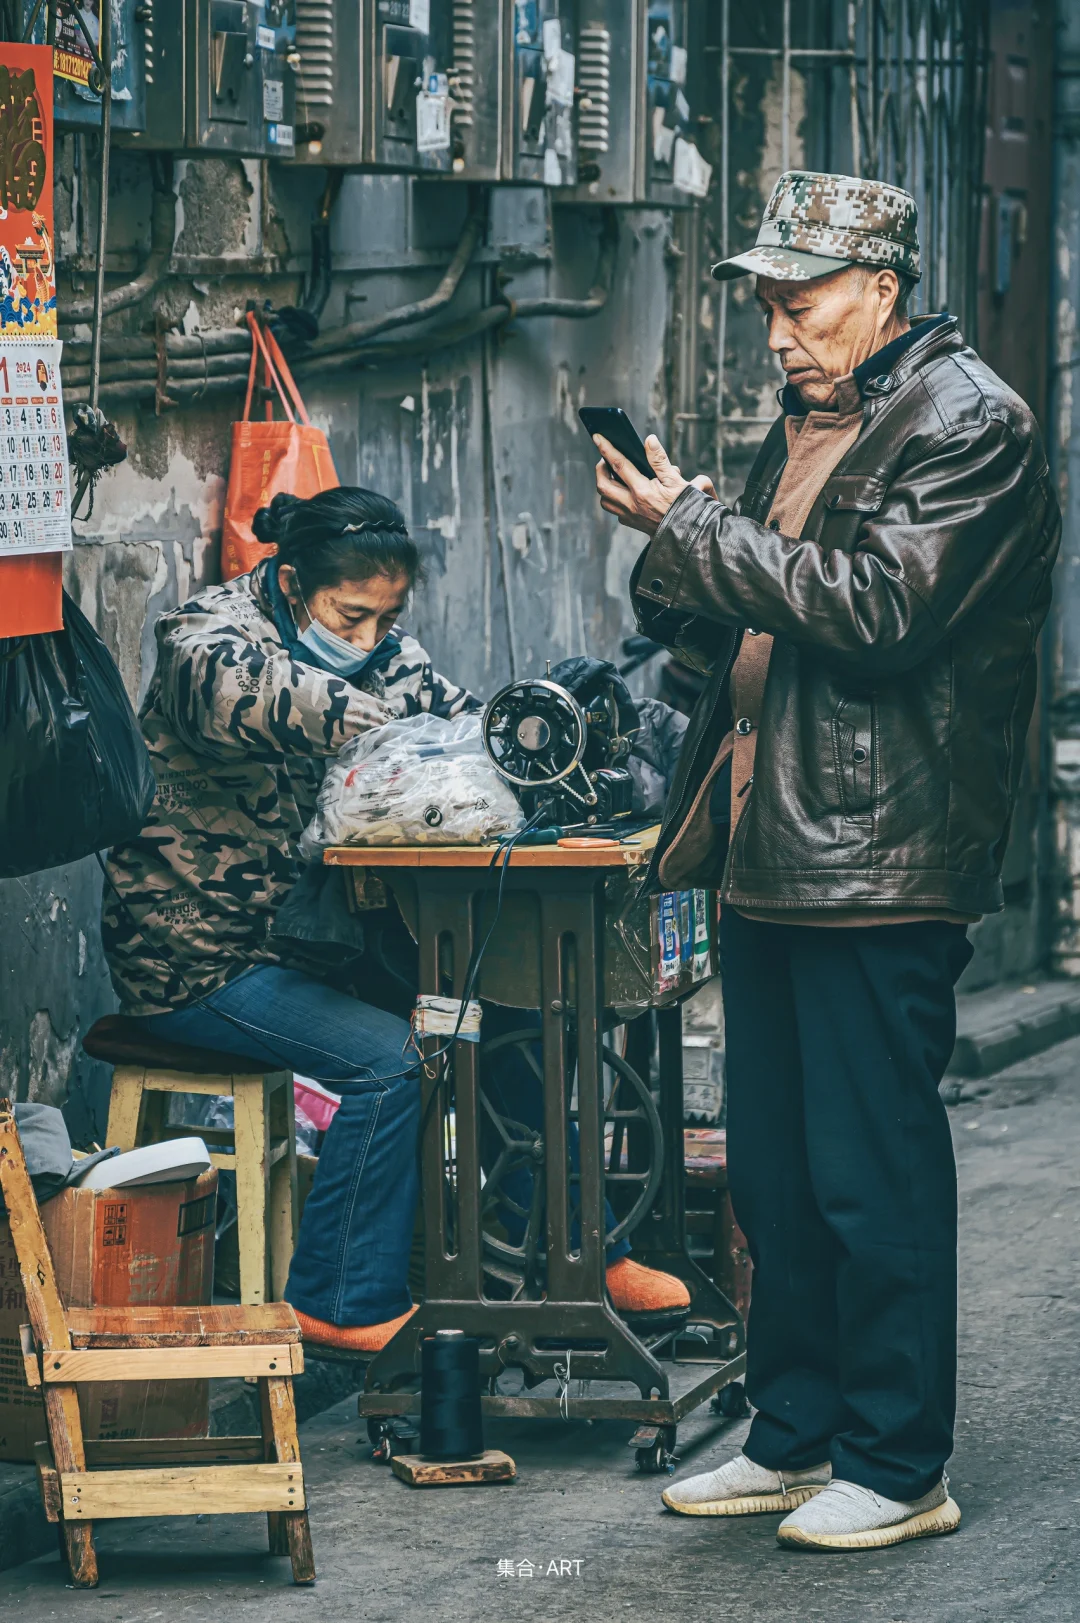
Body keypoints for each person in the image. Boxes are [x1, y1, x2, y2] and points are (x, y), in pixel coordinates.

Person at [592, 171, 1060, 1551]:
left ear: (882, 289)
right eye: (767, 308)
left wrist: (692, 531)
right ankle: (793, 1431)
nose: (779, 334)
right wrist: (674, 549)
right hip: (768, 837)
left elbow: (879, 610)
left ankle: (901, 1459)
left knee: (872, 1167)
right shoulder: (813, 422)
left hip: (882, 847)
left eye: (801, 305)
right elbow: (735, 598)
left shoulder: (971, 422)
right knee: (776, 1170)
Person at [102, 486, 688, 1354]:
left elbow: (464, 724)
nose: (372, 636)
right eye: (353, 614)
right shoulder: (208, 638)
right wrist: (393, 721)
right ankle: (339, 1297)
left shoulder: (376, 654)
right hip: (201, 955)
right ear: (294, 583)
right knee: (395, 1061)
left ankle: (586, 1248)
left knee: (504, 1002)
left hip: (307, 940)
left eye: (388, 617)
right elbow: (254, 700)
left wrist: (521, 729)